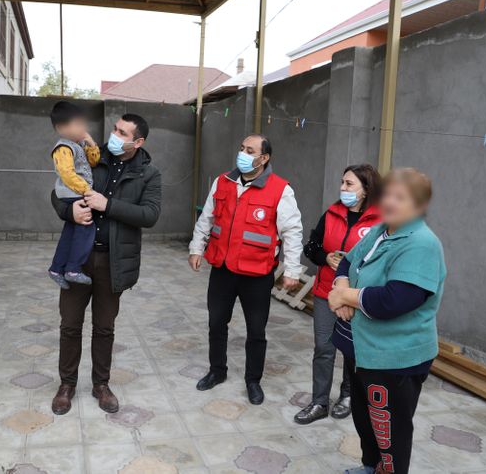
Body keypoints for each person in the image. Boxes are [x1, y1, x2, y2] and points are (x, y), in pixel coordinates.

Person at [328, 168, 446, 474]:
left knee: (389, 430)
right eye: (388, 195)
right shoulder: (383, 230)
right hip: (362, 350)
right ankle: (370, 467)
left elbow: (394, 300)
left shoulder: (421, 243)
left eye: (400, 197)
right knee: (365, 418)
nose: (390, 202)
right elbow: (347, 261)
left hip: (393, 359)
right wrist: (341, 286)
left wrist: (344, 296)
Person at [49, 113, 161, 416]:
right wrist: (69, 211)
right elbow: (57, 192)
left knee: (104, 327)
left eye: (122, 133)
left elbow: (150, 215)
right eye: (115, 128)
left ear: (138, 142)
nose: (114, 135)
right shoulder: (91, 157)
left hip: (114, 261)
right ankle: (67, 385)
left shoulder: (148, 174)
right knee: (70, 324)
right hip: (78, 258)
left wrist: (107, 205)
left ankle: (101, 385)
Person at [188, 134, 303, 405]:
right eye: (242, 148)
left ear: (264, 158)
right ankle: (217, 371)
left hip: (257, 274)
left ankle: (253, 380)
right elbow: (207, 218)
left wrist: (292, 270)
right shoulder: (223, 182)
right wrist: (196, 247)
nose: (243, 154)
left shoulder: (280, 190)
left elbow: (292, 231)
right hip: (223, 268)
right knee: (216, 323)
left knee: (256, 330)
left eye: (250, 151)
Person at [294, 164, 382, 425]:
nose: (342, 188)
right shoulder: (331, 214)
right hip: (326, 293)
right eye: (342, 182)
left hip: (356, 297)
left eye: (349, 184)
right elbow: (311, 247)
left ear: (366, 189)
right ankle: (319, 402)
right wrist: (326, 258)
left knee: (352, 350)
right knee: (324, 348)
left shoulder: (379, 221)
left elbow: (382, 261)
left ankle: (347, 395)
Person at [47, 101, 101, 289]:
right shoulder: (63, 148)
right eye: (77, 124)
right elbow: (67, 174)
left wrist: (91, 143)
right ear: (61, 128)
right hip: (72, 193)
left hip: (76, 192)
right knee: (86, 227)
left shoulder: (78, 144)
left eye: (83, 124)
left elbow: (94, 162)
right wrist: (87, 190)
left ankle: (56, 269)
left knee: (71, 233)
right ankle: (73, 269)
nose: (82, 128)